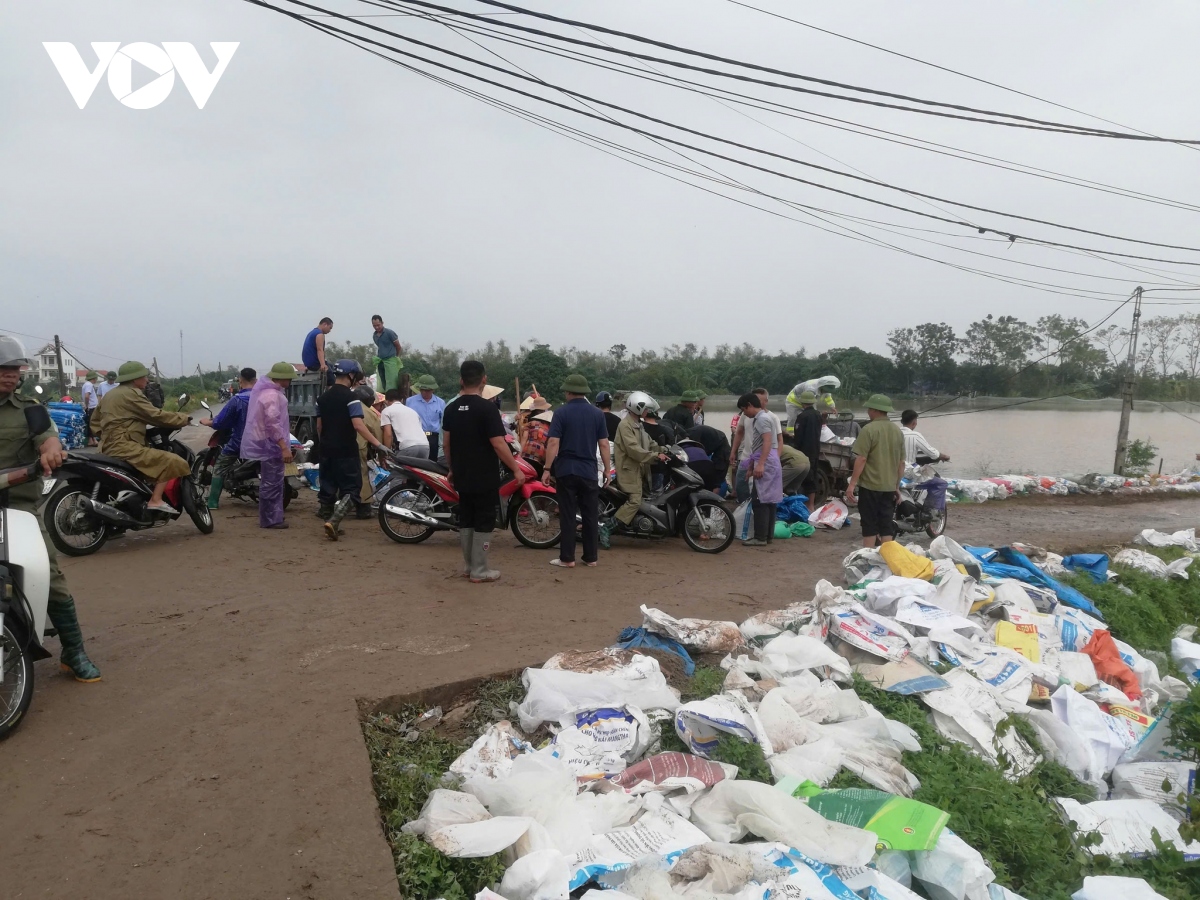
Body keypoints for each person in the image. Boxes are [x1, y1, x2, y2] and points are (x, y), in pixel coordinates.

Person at [0, 335, 101, 682]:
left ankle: (73, 651)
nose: (9, 375)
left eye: (13, 369)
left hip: (20, 509)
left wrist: (51, 450)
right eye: (2, 369)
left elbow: (48, 436)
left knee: (50, 575)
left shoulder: (30, 408)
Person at [443, 360, 526, 582]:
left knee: (467, 517)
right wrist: (516, 469)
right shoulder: (488, 409)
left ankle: (470, 567)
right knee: (484, 518)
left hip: (461, 474)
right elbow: (499, 444)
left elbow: (446, 444)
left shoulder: (450, 409)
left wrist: (452, 468)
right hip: (484, 475)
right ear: (484, 380)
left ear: (461, 380)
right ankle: (480, 570)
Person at [91, 361, 191, 512]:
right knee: (172, 461)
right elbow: (154, 415)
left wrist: (109, 435)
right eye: (144, 377)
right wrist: (183, 418)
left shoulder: (110, 394)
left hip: (106, 447)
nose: (146, 380)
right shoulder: (131, 394)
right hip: (124, 447)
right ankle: (155, 500)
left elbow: (95, 421)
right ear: (135, 379)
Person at [542, 373, 609, 568]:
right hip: (589, 471)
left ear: (569, 392)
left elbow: (553, 442)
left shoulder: (561, 413)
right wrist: (605, 470)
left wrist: (547, 469)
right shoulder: (597, 414)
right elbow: (604, 444)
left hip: (566, 470)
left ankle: (567, 558)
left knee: (568, 514)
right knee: (590, 515)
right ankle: (591, 558)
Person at [317, 359, 387, 540]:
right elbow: (358, 425)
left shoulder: (322, 398)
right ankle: (333, 521)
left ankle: (328, 521)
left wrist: (324, 441)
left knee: (328, 488)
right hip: (346, 449)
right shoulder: (352, 398)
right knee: (352, 490)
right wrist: (378, 444)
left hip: (326, 449)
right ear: (351, 375)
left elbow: (319, 426)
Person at [605, 391, 667, 544]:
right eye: (645, 408)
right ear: (637, 407)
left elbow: (649, 443)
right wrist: (654, 456)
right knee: (635, 501)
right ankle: (607, 527)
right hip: (629, 471)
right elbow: (633, 449)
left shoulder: (638, 424)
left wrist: (665, 449)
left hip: (638, 470)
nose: (648, 411)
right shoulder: (625, 425)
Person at [845, 394, 906, 549]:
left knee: (869, 523)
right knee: (886, 523)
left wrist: (852, 484)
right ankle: (888, 558)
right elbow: (901, 463)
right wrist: (896, 487)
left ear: (874, 410)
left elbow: (861, 459)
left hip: (870, 486)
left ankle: (868, 556)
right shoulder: (897, 431)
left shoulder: (869, 429)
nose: (867, 412)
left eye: (869, 409)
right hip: (888, 487)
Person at [242, 363, 296, 529]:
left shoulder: (266, 392)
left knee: (271, 481)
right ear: (282, 378)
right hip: (271, 442)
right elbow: (273, 423)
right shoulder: (272, 395)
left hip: (267, 441)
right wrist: (283, 446)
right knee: (272, 482)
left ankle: (272, 516)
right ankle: (271, 519)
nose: (290, 382)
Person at [199, 367, 257, 509]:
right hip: (262, 443)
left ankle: (212, 502)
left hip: (240, 443)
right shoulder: (264, 398)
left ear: (240, 381)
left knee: (219, 467)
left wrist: (208, 422)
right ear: (256, 381)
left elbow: (221, 422)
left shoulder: (237, 400)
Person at [736, 392, 783, 547]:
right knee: (770, 500)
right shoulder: (766, 417)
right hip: (770, 459)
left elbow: (767, 442)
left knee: (760, 500)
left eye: (744, 410)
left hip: (766, 460)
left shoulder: (761, 419)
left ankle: (760, 537)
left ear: (750, 405)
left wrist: (761, 464)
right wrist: (751, 466)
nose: (744, 414)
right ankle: (768, 536)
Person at [729, 388, 783, 500]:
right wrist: (733, 451)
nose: (757, 401)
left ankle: (754, 511)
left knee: (760, 492)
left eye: (760, 399)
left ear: (766, 401)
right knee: (741, 485)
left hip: (763, 460)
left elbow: (777, 440)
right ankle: (745, 509)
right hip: (747, 457)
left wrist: (773, 461)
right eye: (755, 399)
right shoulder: (746, 415)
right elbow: (739, 432)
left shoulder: (771, 418)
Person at [355, 383, 385, 512]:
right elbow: (378, 434)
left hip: (339, 446)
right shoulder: (369, 412)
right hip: (358, 447)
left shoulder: (347, 406)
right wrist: (382, 454)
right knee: (362, 475)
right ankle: (364, 507)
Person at [790, 389, 823, 498]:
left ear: (802, 402)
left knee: (804, 477)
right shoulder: (818, 415)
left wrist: (795, 446)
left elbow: (798, 436)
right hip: (815, 449)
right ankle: (811, 504)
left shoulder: (802, 416)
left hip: (804, 451)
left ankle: (805, 503)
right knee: (812, 476)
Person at [406, 374, 446, 458]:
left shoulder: (440, 403)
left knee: (433, 462)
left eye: (428, 390)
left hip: (434, 437)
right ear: (420, 389)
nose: (425, 392)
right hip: (417, 437)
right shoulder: (410, 402)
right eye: (423, 390)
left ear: (433, 390)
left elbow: (443, 422)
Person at [383, 388, 429, 457]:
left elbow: (388, 434)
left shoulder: (386, 411)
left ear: (386, 401)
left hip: (407, 447)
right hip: (425, 446)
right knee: (420, 468)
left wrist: (386, 454)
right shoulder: (413, 411)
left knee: (397, 466)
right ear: (401, 400)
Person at [370, 315, 403, 393]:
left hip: (390, 360)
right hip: (380, 361)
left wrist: (395, 357)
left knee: (392, 382)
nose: (376, 327)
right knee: (382, 381)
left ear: (382, 323)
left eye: (378, 325)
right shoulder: (374, 335)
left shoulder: (389, 333)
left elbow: (398, 346)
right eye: (374, 326)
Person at [81, 371, 100, 445]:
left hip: (91, 406)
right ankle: (92, 440)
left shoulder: (86, 384)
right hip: (91, 407)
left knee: (90, 423)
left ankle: (92, 440)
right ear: (94, 378)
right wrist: (87, 405)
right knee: (92, 424)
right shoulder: (89, 385)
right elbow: (87, 396)